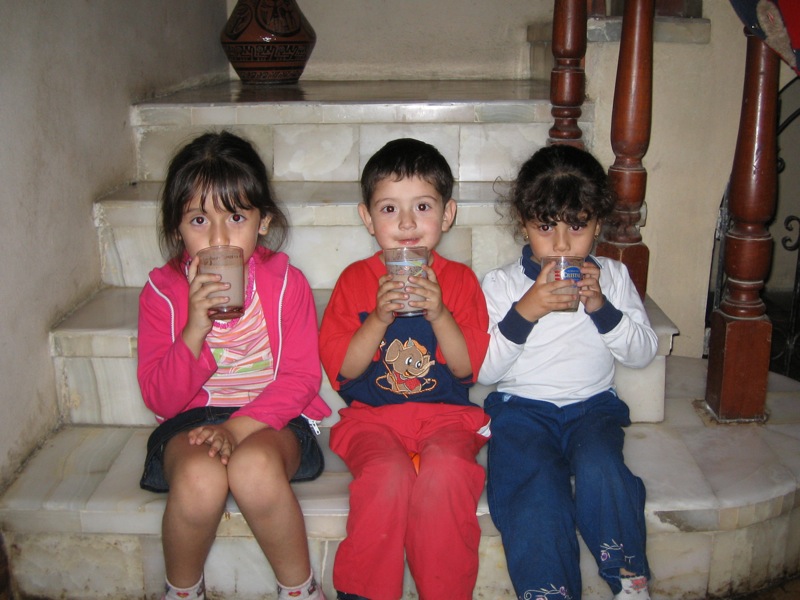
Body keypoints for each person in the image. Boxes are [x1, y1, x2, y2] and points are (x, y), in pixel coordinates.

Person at [137, 131, 331, 600]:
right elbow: (159, 398)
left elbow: (302, 379)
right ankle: (182, 591)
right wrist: (193, 331)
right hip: (191, 423)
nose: (218, 239)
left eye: (237, 217)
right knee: (201, 478)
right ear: (177, 228)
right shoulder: (162, 293)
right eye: (199, 220)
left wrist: (239, 428)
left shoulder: (287, 284)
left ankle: (300, 591)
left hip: (274, 418)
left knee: (252, 469)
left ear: (263, 222)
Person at [478, 145, 657, 600]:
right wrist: (526, 311)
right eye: (545, 228)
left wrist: (601, 307)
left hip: (592, 408)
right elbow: (482, 368)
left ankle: (629, 579)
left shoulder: (613, 277)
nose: (560, 245)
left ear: (598, 224)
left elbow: (641, 353)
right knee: (534, 491)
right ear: (524, 223)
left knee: (603, 470)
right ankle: (548, 591)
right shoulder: (500, 285)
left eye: (577, 227)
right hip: (521, 411)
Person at [318, 138, 491, 600]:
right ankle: (364, 592)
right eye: (390, 209)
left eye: (423, 206)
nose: (408, 223)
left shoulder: (460, 281)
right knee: (386, 477)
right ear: (367, 218)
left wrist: (440, 314)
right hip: (372, 419)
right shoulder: (355, 281)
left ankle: (445, 591)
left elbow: (468, 367)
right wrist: (377, 317)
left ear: (447, 215)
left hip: (445, 417)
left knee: (449, 472)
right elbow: (342, 372)